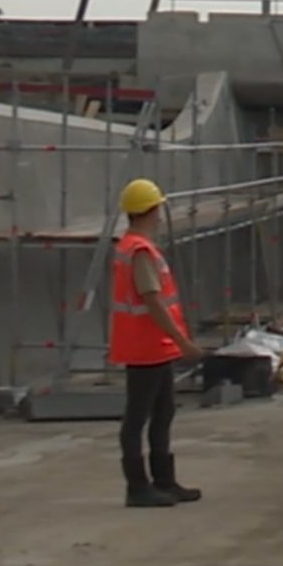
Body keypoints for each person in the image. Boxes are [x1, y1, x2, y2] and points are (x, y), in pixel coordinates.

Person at [110, 179, 205, 508]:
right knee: (138, 417)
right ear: (153, 210)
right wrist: (184, 343)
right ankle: (138, 487)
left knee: (163, 412)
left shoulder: (134, 246)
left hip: (154, 346)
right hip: (145, 347)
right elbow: (153, 302)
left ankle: (164, 481)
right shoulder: (139, 251)